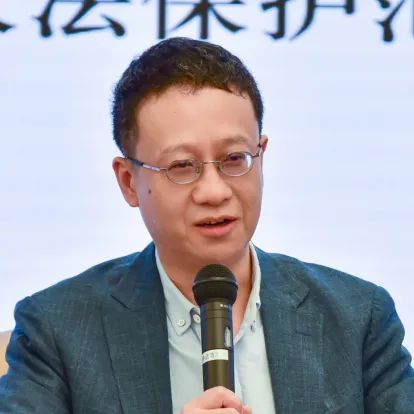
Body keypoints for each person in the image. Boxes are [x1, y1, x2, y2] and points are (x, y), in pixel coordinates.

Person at [0, 37, 413, 414]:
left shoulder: (358, 317)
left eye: (234, 159)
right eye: (182, 166)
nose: (214, 191)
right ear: (128, 181)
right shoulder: (57, 330)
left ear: (262, 156)